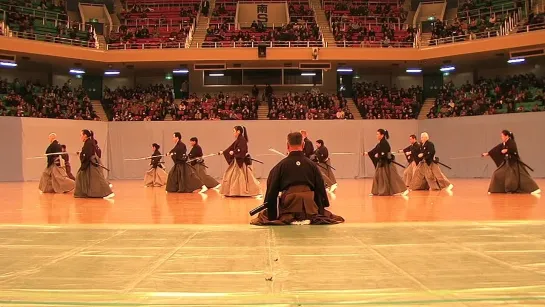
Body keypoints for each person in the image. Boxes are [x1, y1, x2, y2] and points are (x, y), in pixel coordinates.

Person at [251, 132, 344, 225]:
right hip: (309, 209)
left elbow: (272, 191)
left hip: (289, 208)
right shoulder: (312, 166)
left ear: (287, 146)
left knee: (263, 215)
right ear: (303, 145)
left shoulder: (280, 166)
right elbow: (320, 190)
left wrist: (271, 213)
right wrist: (320, 209)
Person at [483, 130, 540, 194]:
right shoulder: (504, 144)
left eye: (502, 136)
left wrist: (507, 150)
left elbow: (514, 150)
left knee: (522, 176)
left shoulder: (511, 142)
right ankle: (495, 189)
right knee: (497, 174)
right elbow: (496, 149)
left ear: (507, 136)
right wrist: (488, 153)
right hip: (506, 163)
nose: (501, 137)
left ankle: (533, 189)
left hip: (514, 163)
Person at [219, 126, 262, 197]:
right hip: (237, 161)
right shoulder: (238, 140)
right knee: (233, 176)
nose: (233, 133)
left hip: (241, 161)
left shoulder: (242, 140)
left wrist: (234, 152)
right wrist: (223, 152)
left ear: (238, 131)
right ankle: (235, 191)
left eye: (234, 131)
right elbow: (231, 147)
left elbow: (242, 150)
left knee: (240, 176)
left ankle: (244, 191)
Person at [364, 129, 408, 196]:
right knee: (377, 177)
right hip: (381, 162)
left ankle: (404, 189)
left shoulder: (384, 143)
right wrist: (368, 153)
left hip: (387, 163)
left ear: (382, 135)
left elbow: (384, 153)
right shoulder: (380, 143)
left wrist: (378, 155)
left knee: (393, 177)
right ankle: (376, 191)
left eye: (378, 134)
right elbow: (375, 150)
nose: (376, 135)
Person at [74, 129, 114, 198]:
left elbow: (87, 154)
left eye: (81, 135)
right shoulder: (88, 142)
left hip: (91, 164)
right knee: (82, 177)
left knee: (97, 178)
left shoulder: (89, 143)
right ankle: (83, 193)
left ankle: (108, 193)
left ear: (85, 135)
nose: (80, 137)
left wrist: (82, 155)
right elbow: (87, 153)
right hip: (89, 163)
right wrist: (81, 153)